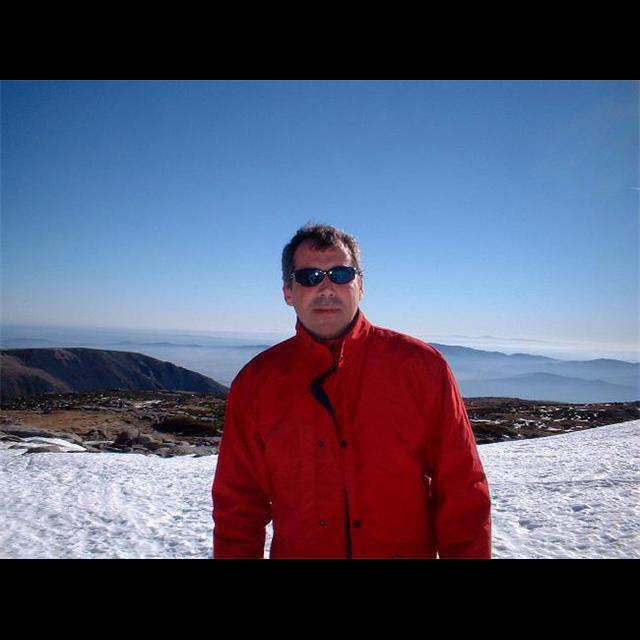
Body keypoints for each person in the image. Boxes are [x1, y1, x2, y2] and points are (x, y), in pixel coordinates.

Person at [212, 224, 491, 559]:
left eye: (341, 274)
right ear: (288, 291)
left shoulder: (421, 367)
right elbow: (238, 505)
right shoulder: (257, 382)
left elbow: (463, 491)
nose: (326, 288)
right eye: (310, 277)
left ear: (361, 285)